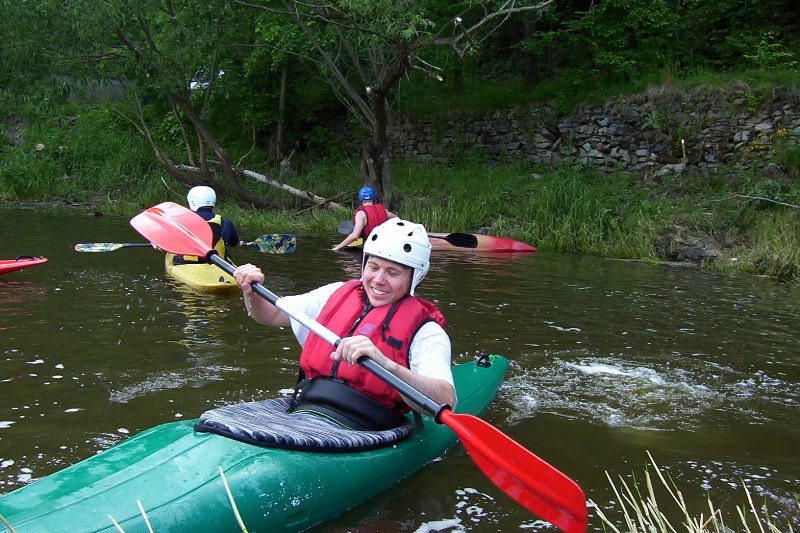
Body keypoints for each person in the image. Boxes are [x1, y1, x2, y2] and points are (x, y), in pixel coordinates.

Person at [234, 218, 455, 431]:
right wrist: (251, 292)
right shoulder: (335, 294)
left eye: (392, 272)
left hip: (366, 426)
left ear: (414, 278)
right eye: (373, 267)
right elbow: (269, 316)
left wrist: (385, 363)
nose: (378, 279)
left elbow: (445, 399)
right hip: (306, 409)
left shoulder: (427, 331)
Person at [176, 185, 243, 264]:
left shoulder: (181, 221)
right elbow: (235, 244)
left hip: (186, 263)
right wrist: (239, 243)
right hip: (218, 265)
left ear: (192, 202)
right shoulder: (225, 222)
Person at [332, 186, 397, 251]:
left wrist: (337, 248)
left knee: (350, 260)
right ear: (373, 198)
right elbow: (397, 219)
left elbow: (355, 236)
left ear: (360, 199)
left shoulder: (361, 214)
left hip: (369, 246)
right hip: (383, 246)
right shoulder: (384, 211)